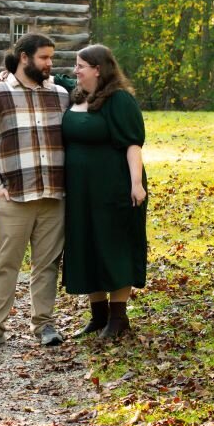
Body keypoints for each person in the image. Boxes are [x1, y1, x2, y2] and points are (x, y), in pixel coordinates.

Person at [0, 32, 70, 350]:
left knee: (47, 265)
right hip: (14, 195)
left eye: (52, 58)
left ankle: (44, 325)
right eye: (44, 57)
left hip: (53, 195)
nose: (49, 63)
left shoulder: (59, 94)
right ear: (24, 57)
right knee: (5, 263)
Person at [54, 44, 147, 340]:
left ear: (98, 69)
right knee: (86, 245)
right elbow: (53, 77)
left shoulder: (119, 100)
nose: (75, 70)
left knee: (113, 245)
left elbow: (133, 144)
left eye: (81, 65)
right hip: (81, 191)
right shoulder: (78, 94)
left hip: (114, 186)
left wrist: (136, 184)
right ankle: (98, 317)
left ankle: (119, 319)